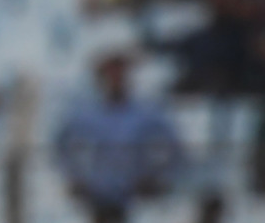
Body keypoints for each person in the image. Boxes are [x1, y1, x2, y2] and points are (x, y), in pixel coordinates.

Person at [55, 52, 184, 212]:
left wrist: (157, 177)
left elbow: (174, 146)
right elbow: (60, 145)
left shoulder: (145, 112)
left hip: (135, 195)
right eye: (111, 72)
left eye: (120, 71)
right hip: (96, 191)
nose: (116, 78)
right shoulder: (86, 112)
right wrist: (74, 177)